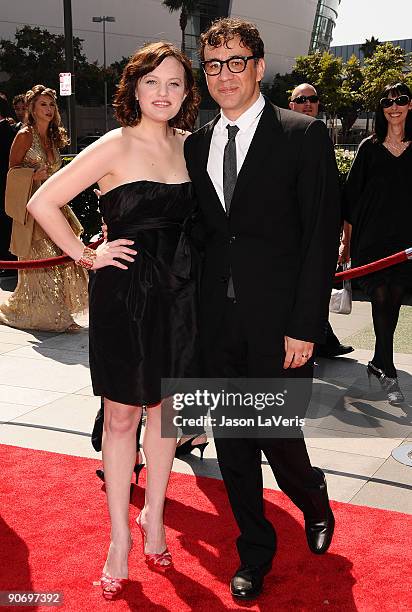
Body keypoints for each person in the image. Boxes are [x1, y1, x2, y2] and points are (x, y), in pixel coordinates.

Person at [27, 42, 200, 600]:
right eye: (153, 82)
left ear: (186, 92)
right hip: (124, 295)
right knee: (122, 415)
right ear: (135, 88)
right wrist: (86, 254)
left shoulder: (192, 149)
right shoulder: (113, 144)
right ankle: (120, 539)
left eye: (175, 83)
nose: (164, 93)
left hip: (179, 296)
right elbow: (44, 203)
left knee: (167, 414)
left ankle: (154, 522)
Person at [184, 18, 339, 600]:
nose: (225, 74)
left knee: (275, 433)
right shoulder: (196, 144)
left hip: (278, 321)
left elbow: (320, 239)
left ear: (258, 66)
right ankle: (256, 550)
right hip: (215, 322)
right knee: (232, 441)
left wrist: (305, 325)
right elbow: (200, 234)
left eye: (236, 61)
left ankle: (311, 495)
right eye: (214, 64)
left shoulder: (302, 135)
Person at [342, 82, 412, 404]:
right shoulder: (368, 148)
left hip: (405, 242)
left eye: (401, 100)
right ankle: (390, 372)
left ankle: (378, 362)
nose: (394, 106)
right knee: (379, 295)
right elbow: (351, 200)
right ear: (381, 109)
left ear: (410, 105)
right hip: (371, 241)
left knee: (394, 299)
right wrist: (345, 243)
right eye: (387, 101)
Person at [0, 85, 88, 331]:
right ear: (32, 108)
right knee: (44, 259)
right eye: (43, 104)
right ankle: (57, 318)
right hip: (32, 209)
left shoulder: (53, 136)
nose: (48, 109)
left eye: (51, 104)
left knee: (63, 259)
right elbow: (11, 170)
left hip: (55, 205)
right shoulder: (25, 135)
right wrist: (31, 174)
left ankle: (60, 312)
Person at [289, 83, 354, 359]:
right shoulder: (283, 135)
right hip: (290, 235)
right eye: (301, 99)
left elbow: (330, 191)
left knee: (316, 289)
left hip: (320, 233)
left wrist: (341, 235)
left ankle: (321, 339)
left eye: (313, 99)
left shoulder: (323, 137)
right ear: (291, 104)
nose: (308, 103)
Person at [0, 95, 17, 271]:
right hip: (7, 188)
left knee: (5, 225)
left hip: (5, 187)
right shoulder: (11, 131)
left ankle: (7, 261)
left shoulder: (7, 132)